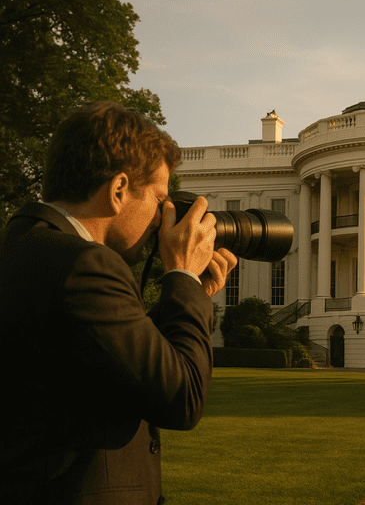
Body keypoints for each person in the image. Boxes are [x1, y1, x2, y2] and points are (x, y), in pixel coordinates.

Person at [0, 101, 238, 504]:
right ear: (118, 190)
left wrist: (192, 293)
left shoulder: (26, 249)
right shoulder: (85, 264)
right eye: (159, 199)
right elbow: (182, 398)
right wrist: (180, 275)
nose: (161, 219)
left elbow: (123, 352)